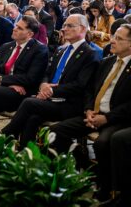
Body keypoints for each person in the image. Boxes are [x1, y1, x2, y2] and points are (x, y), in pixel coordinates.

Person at [50, 24, 131, 204]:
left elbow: (128, 106)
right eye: (113, 36)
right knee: (57, 131)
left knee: (103, 142)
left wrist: (107, 118)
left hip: (116, 119)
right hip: (93, 113)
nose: (112, 41)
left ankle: (107, 187)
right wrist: (88, 110)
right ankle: (72, 173)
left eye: (119, 39)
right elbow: (89, 90)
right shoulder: (106, 62)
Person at [1, 14, 99, 147]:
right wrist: (44, 85)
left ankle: (6, 135)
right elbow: (47, 73)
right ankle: (26, 154)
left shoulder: (89, 53)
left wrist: (52, 90)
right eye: (64, 25)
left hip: (69, 104)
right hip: (51, 100)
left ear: (82, 29)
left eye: (69, 26)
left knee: (29, 103)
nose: (64, 29)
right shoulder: (61, 50)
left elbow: (80, 85)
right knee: (32, 118)